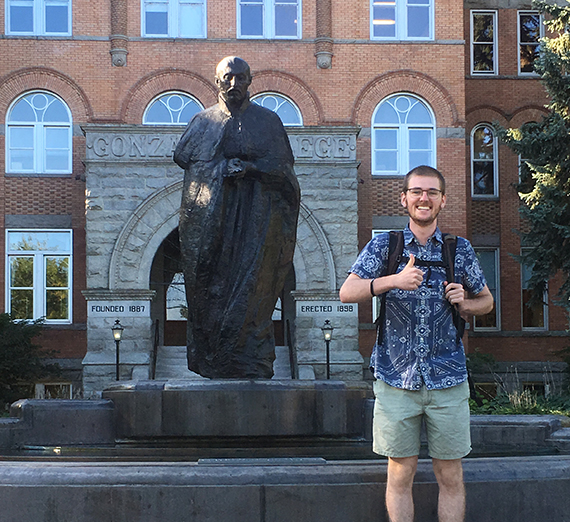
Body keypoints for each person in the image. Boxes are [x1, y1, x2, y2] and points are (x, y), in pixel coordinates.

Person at [339, 165, 494, 522]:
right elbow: (348, 292)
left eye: (432, 193)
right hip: (397, 380)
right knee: (400, 474)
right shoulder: (385, 245)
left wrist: (464, 302)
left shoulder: (460, 250)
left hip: (448, 380)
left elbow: (486, 302)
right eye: (417, 192)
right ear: (404, 198)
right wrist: (391, 280)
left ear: (442, 200)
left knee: (450, 475)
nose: (424, 198)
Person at [174, 56, 300, 379]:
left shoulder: (268, 123)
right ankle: (211, 357)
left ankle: (250, 357)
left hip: (256, 225)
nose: (234, 85)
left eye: (240, 78)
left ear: (249, 81)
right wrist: (220, 172)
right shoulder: (202, 123)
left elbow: (285, 173)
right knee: (209, 290)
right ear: (217, 82)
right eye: (227, 78)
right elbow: (186, 162)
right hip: (211, 223)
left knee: (253, 290)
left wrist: (251, 169)